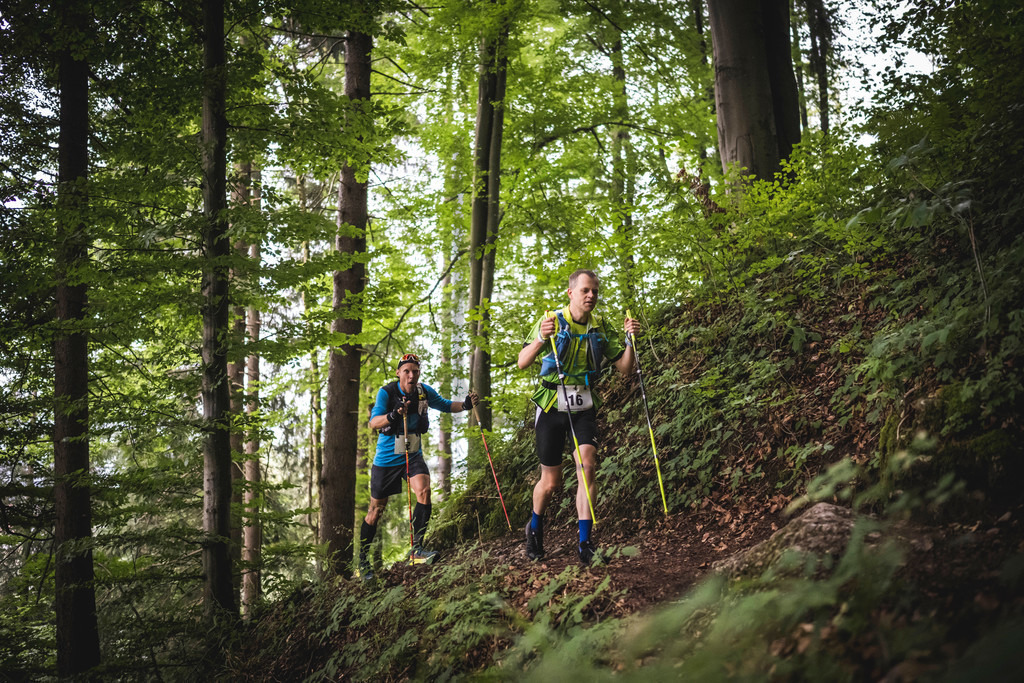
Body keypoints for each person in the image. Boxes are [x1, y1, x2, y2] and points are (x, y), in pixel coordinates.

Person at [517, 269, 641, 565]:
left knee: (587, 466)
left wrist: (630, 341)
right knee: (551, 483)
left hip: (583, 404)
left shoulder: (600, 326)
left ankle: (585, 544)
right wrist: (539, 339)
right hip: (551, 404)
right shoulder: (552, 321)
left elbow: (624, 368)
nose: (591, 296)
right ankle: (534, 527)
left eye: (595, 291)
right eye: (585, 290)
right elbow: (523, 362)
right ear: (571, 293)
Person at [358, 353, 477, 580]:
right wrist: (393, 415)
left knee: (424, 490)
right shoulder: (387, 393)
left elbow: (444, 404)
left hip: (412, 455)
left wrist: (465, 405)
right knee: (375, 512)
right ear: (399, 373)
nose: (411, 375)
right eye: (407, 371)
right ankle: (363, 561)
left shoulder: (423, 392)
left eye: (415, 370)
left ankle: (417, 549)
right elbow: (374, 422)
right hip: (386, 459)